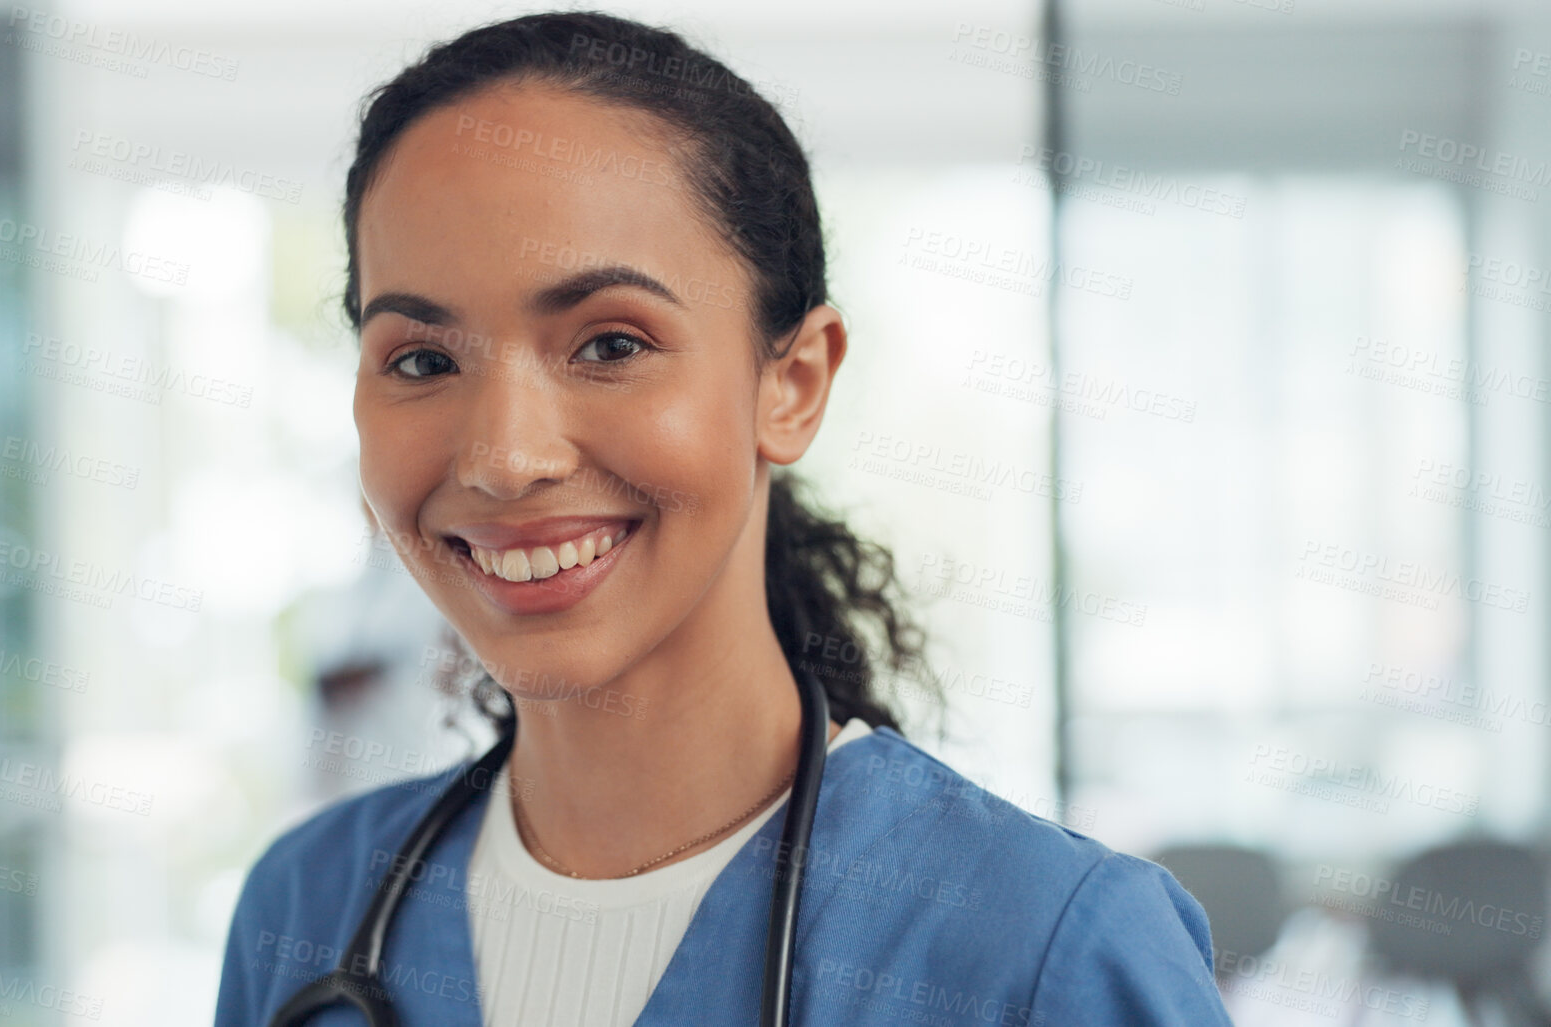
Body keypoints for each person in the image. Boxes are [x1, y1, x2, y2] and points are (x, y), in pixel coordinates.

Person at [213, 10, 1232, 1026]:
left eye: (610, 345)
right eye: (423, 360)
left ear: (790, 383)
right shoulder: (306, 909)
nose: (505, 459)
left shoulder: (1043, 949)